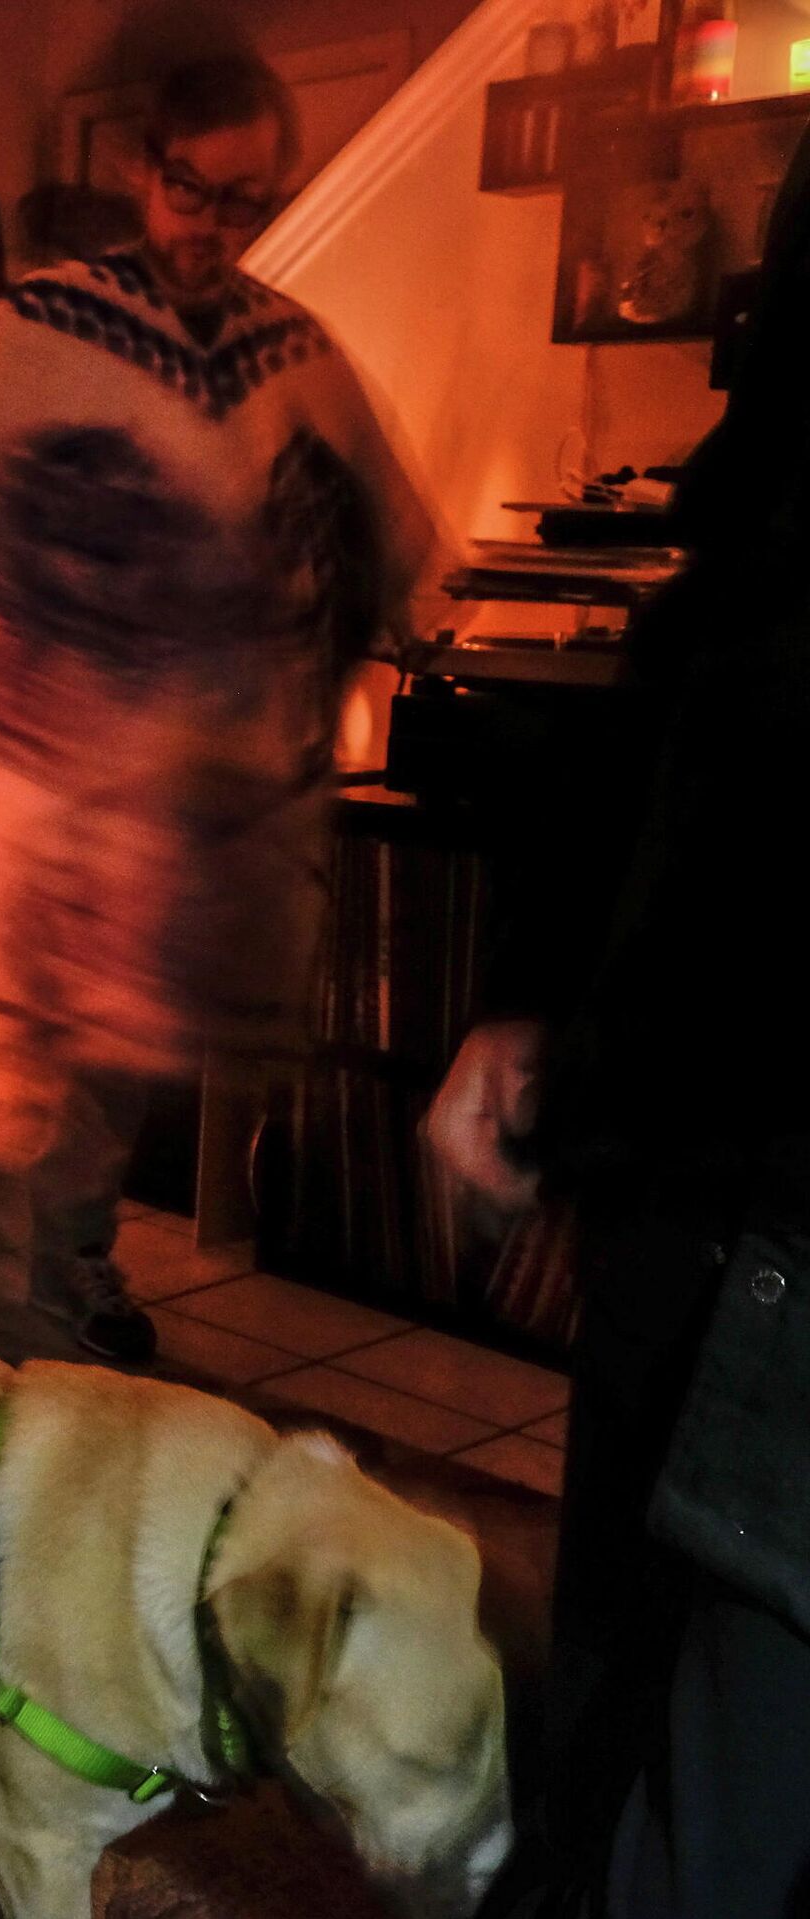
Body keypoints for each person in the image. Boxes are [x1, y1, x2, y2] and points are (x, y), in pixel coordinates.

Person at [0, 50, 437, 1362]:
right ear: (144, 168)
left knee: (118, 1051)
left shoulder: (289, 350)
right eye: (194, 190)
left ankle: (64, 1268)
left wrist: (316, 672)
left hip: (188, 797)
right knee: (24, 1047)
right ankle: (23, 1304)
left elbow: (373, 531)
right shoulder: (39, 330)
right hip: (37, 773)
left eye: (246, 201)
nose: (214, 228)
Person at [426, 126, 810, 1919]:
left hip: (761, 1205)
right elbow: (698, 698)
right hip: (700, 1172)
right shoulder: (765, 515)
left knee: (716, 1747)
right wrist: (542, 1005)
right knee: (646, 1700)